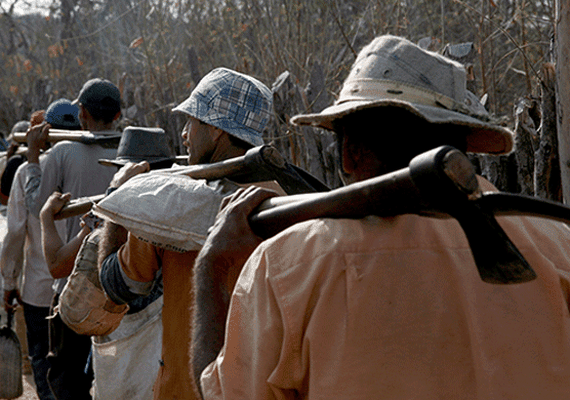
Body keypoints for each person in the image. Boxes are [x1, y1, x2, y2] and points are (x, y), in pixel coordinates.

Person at [190, 35, 570, 399]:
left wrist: (211, 267)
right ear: (463, 144)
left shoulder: (288, 266)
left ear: (349, 153)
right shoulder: (557, 244)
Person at [97, 67, 273, 400]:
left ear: (216, 131)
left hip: (185, 389)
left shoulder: (172, 203)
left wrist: (119, 200)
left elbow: (119, 286)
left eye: (192, 123)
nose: (186, 136)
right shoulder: (284, 200)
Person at [40, 127, 176, 400]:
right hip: (167, 358)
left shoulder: (107, 222)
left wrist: (46, 218)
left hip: (124, 355)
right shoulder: (182, 210)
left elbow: (57, 265)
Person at [25, 79, 122, 400]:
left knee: (64, 375)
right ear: (119, 115)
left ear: (81, 112)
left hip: (73, 281)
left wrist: (33, 159)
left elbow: (38, 208)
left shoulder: (64, 151)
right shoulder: (131, 148)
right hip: (123, 278)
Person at [0, 99, 80, 400]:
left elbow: (16, 234)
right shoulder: (94, 164)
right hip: (81, 288)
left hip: (39, 289)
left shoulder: (26, 172)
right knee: (76, 371)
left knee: (43, 363)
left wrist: (9, 282)